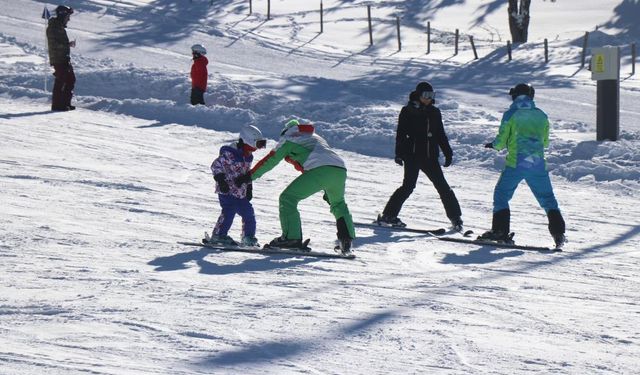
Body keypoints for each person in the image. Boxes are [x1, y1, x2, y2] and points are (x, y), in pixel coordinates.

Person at [479, 83, 566, 248]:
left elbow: (502, 140)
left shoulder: (511, 114)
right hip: (537, 163)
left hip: (517, 163)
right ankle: (559, 234)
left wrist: (494, 145)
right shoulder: (541, 115)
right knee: (547, 199)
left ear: (514, 96)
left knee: (501, 195)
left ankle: (500, 231)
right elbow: (545, 142)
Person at [249, 119, 356, 253]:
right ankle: (346, 241)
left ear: (285, 131)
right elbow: (318, 158)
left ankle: (291, 238)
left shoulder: (288, 138)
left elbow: (271, 160)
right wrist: (326, 188)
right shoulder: (314, 137)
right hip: (339, 169)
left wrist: (249, 176)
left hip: (320, 170)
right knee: (338, 204)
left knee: (288, 198)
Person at [377, 81, 464, 231]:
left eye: (431, 96)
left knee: (443, 187)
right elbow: (401, 134)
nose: (428, 98)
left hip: (430, 157)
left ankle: (455, 218)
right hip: (412, 155)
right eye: (425, 95)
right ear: (418, 95)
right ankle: (388, 215)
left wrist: (448, 152)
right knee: (408, 186)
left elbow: (440, 134)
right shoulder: (408, 110)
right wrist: (399, 153)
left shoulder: (435, 112)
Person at [206, 125, 267, 247]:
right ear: (248, 141)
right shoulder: (230, 154)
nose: (258, 148)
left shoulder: (248, 156)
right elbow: (215, 166)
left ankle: (248, 237)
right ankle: (219, 235)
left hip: (240, 192)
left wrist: (249, 187)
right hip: (226, 190)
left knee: (248, 212)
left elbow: (247, 173)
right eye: (258, 144)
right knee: (229, 211)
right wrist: (221, 181)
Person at [47, 5, 76, 111]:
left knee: (70, 79)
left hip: (64, 58)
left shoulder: (58, 27)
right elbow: (54, 44)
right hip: (58, 59)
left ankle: (65, 103)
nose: (69, 19)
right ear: (62, 15)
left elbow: (60, 43)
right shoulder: (53, 27)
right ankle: (57, 105)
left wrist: (67, 44)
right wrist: (67, 45)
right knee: (61, 80)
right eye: (67, 16)